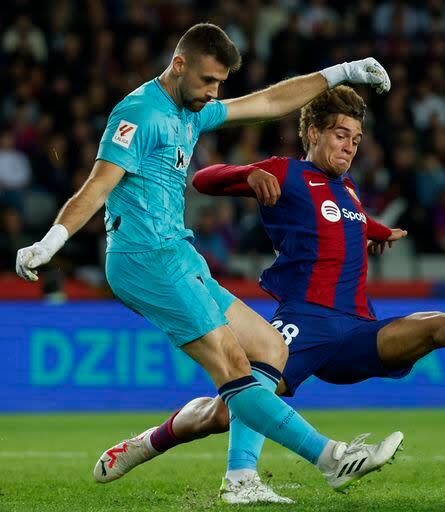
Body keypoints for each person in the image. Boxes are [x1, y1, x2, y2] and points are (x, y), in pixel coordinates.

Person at [91, 85, 445, 504]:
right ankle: (191, 461)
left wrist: (376, 230)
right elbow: (203, 178)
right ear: (312, 133)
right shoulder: (285, 172)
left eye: (356, 138)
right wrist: (247, 175)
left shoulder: (347, 191)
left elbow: (341, 220)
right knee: (233, 405)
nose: (349, 146)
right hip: (302, 323)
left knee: (434, 327)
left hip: (355, 329)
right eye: (339, 135)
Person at [15, 23, 403, 500]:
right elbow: (97, 185)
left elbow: (266, 103)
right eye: (208, 82)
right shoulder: (138, 113)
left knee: (270, 350)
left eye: (220, 83)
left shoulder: (190, 110)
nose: (214, 93)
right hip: (143, 259)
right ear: (179, 65)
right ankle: (332, 459)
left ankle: (233, 477)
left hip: (179, 253)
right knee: (234, 366)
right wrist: (50, 242)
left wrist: (339, 71)